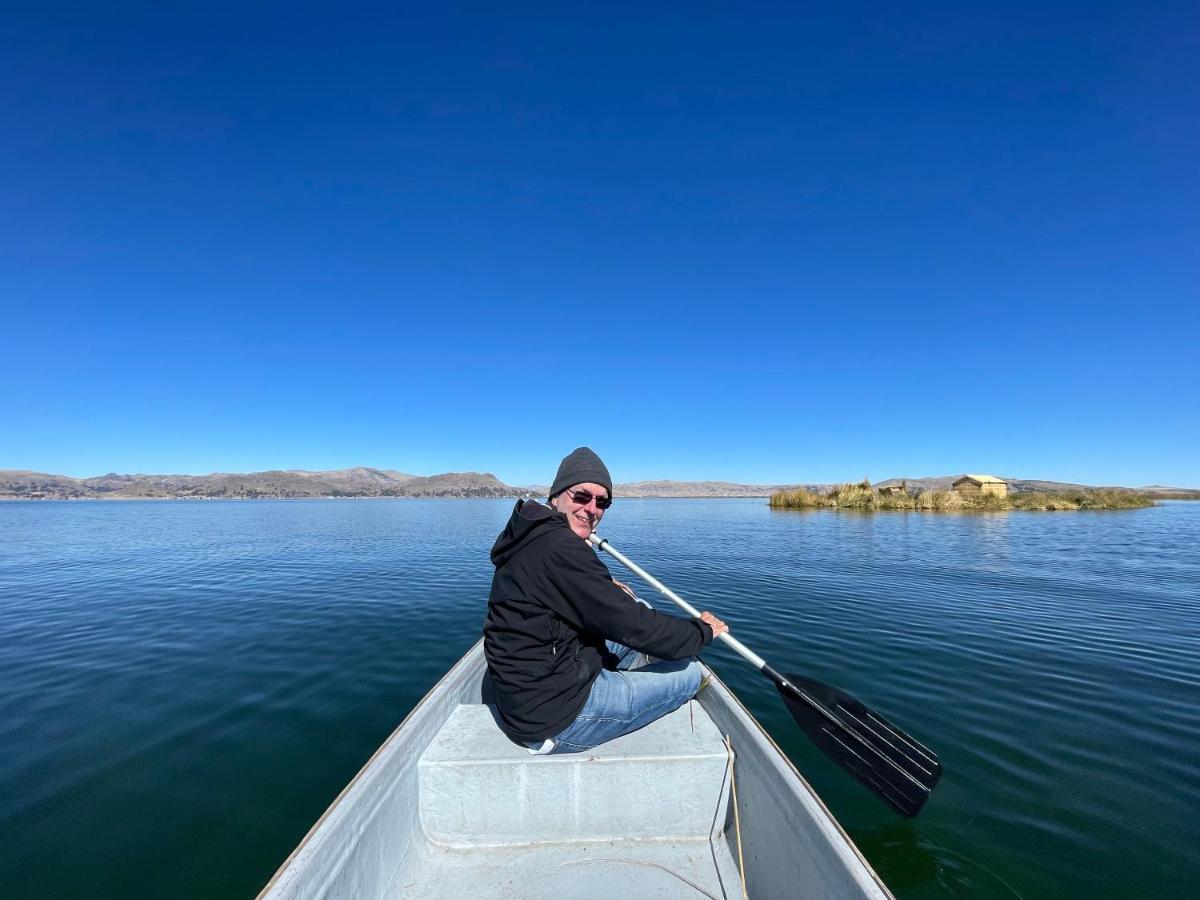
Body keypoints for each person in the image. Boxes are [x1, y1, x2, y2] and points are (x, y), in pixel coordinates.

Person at [483, 446, 728, 754]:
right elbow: (635, 625)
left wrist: (605, 585)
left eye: (602, 502)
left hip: (535, 687)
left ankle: (634, 674)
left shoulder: (532, 533)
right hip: (553, 717)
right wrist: (702, 631)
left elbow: (559, 585)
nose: (592, 508)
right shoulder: (560, 548)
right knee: (689, 674)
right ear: (557, 495)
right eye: (581, 496)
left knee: (643, 612)